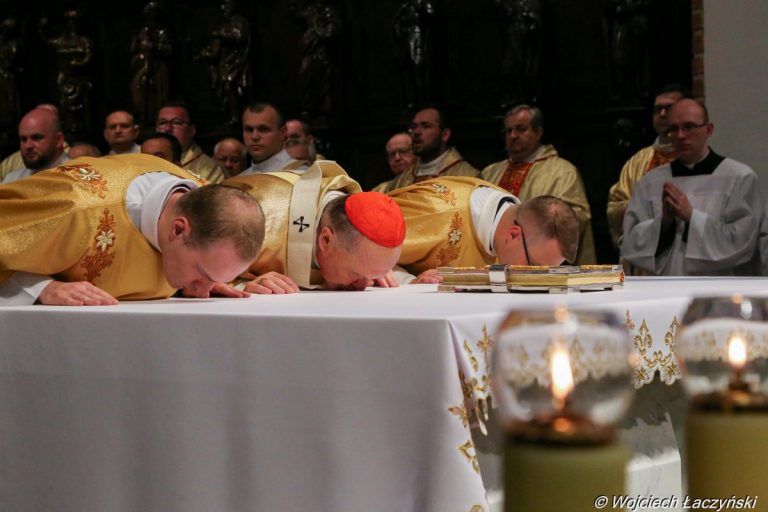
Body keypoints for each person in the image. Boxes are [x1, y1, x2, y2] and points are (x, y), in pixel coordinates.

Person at [0, 153, 265, 306]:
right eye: (203, 275)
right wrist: (39, 288)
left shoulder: (209, 203)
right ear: (178, 230)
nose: (204, 293)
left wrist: (241, 281)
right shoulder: (75, 209)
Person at [622, 98, 762, 276]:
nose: (680, 136)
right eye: (674, 129)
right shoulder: (650, 182)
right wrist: (664, 223)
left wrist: (691, 217)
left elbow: (744, 241)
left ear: (708, 130)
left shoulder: (740, 177)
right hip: (668, 286)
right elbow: (630, 242)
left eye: (688, 127)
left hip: (720, 287)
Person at [225, 160, 404, 293]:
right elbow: (209, 271)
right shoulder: (253, 216)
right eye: (356, 275)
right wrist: (242, 285)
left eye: (372, 276)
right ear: (325, 240)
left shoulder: (356, 243)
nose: (365, 285)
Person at [388, 176, 579, 283]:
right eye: (534, 266)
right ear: (514, 234)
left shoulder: (511, 216)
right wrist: (409, 281)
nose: (536, 280)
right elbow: (370, 244)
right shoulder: (437, 211)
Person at [480, 105, 596, 264]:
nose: (513, 135)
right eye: (508, 131)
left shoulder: (562, 171)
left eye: (521, 129)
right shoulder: (490, 172)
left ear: (538, 132)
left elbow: (576, 218)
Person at [606, 84, 692, 250]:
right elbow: (615, 206)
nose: (662, 114)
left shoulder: (693, 156)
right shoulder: (637, 162)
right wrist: (649, 209)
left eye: (669, 108)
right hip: (645, 250)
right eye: (658, 109)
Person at [378, 106, 478, 192]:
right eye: (413, 126)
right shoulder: (402, 180)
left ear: (445, 134)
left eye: (425, 126)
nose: (416, 132)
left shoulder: (468, 177)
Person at [197, 0, 251, 126]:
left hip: (235, 61)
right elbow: (216, 49)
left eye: (226, 5)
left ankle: (236, 117)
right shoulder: (226, 22)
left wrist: (220, 34)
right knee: (226, 89)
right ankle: (231, 115)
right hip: (225, 62)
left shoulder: (238, 20)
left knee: (231, 87)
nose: (223, 8)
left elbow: (238, 37)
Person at [156, 100, 225, 183]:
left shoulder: (210, 169)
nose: (168, 128)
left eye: (176, 123)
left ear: (192, 130)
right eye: (162, 123)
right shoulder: (146, 159)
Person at [1, 107, 69, 184]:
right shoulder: (11, 180)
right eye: (24, 139)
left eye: (36, 138)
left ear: (58, 140)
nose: (28, 146)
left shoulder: (76, 178)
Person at [240, 103, 309, 175]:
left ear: (282, 132)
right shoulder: (239, 179)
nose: (254, 137)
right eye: (249, 130)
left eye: (263, 129)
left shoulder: (301, 175)